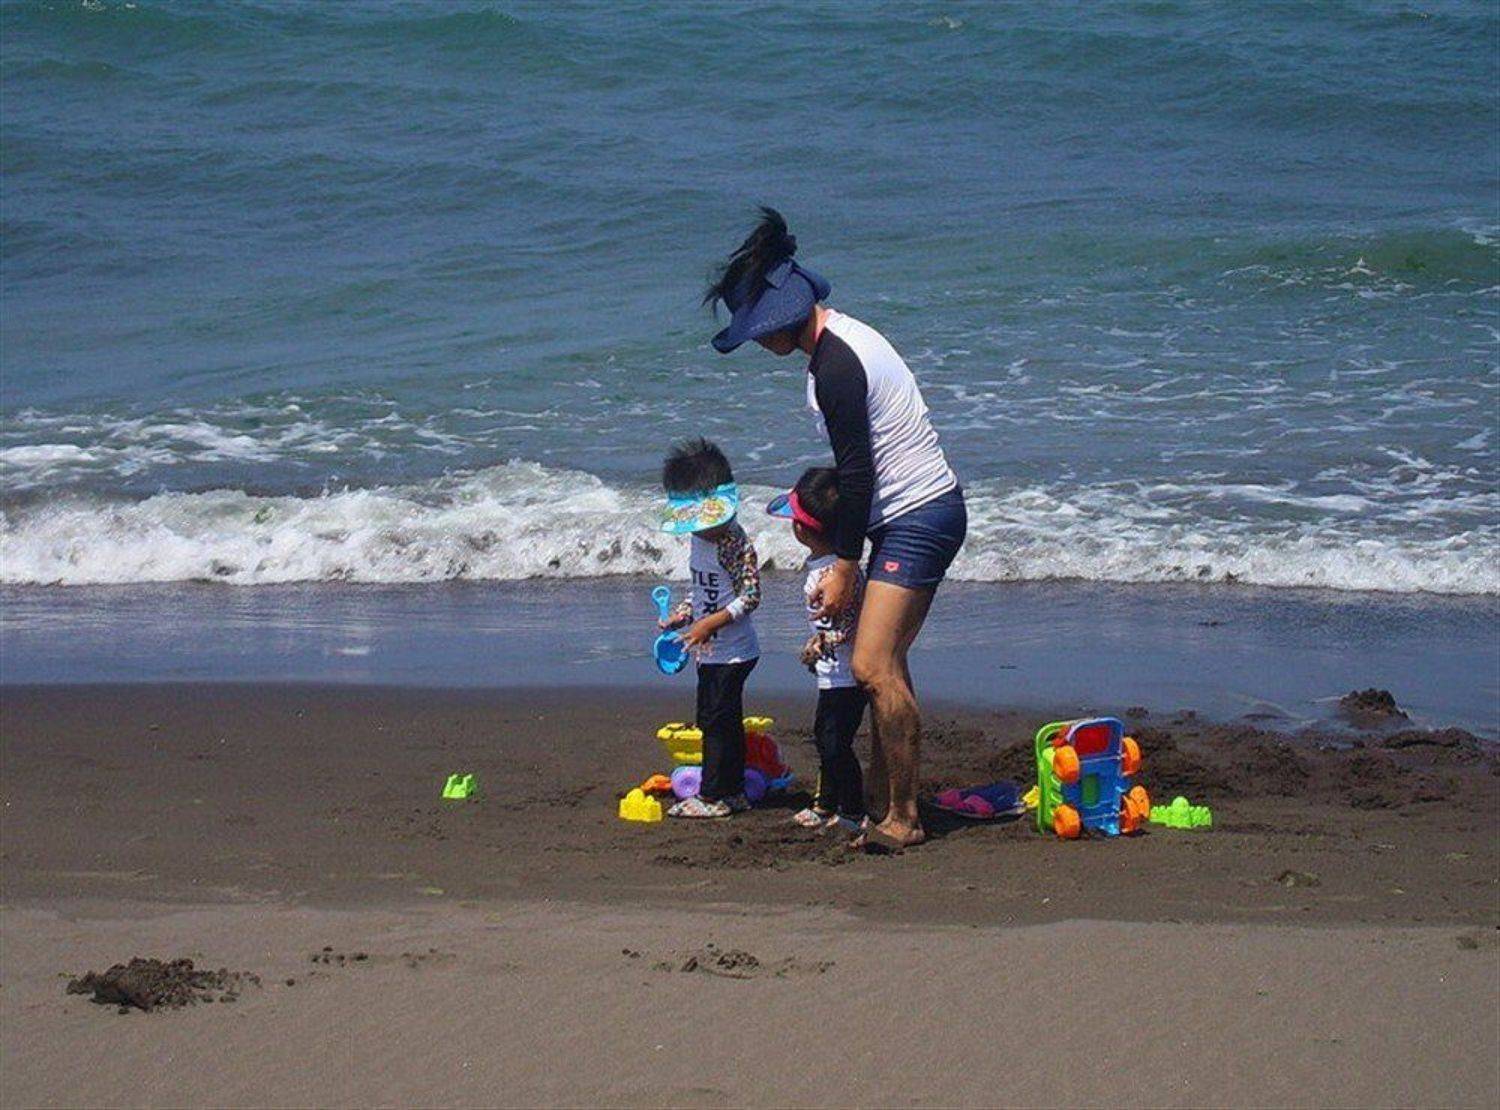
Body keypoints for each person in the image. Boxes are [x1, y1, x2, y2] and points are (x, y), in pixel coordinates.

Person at [705, 208, 965, 852]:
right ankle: (887, 801)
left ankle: (903, 817)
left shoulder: (836, 366)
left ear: (782, 316)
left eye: (757, 329)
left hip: (917, 516)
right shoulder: (841, 341)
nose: (758, 343)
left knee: (872, 664)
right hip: (913, 515)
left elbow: (858, 473)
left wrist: (845, 566)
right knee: (887, 663)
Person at [657, 437, 762, 819]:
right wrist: (684, 615)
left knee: (716, 722)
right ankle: (733, 791)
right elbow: (703, 589)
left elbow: (751, 596)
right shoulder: (700, 540)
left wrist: (710, 623)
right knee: (721, 721)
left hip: (734, 650)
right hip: (709, 649)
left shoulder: (733, 542)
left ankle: (714, 796)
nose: (698, 529)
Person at [766, 467, 867, 835]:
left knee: (835, 743)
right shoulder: (832, 567)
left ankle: (853, 810)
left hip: (847, 676)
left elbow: (853, 623)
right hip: (832, 674)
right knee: (826, 740)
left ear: (801, 529)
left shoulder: (835, 575)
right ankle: (825, 804)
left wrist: (821, 643)